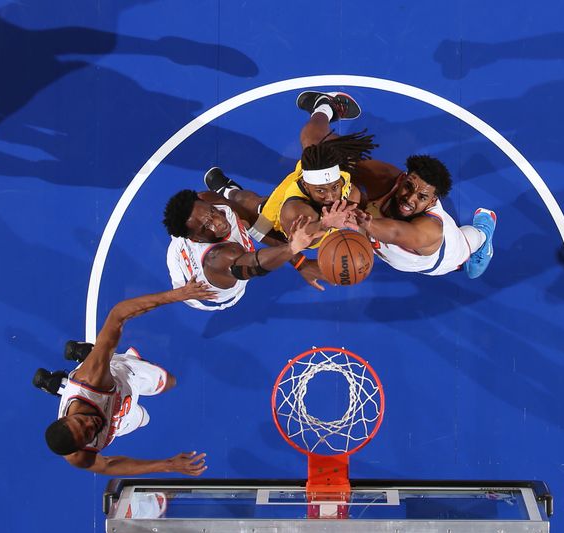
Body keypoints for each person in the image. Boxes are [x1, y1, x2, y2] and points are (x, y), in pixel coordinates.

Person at [43, 278, 216, 475]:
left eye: (81, 422)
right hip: (119, 420)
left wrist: (178, 294)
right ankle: (81, 362)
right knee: (144, 419)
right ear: (81, 446)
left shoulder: (92, 380)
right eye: (87, 434)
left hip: (126, 377)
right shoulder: (77, 456)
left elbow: (118, 314)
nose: (91, 424)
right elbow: (108, 465)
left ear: (68, 418)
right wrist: (168, 465)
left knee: (170, 382)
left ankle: (89, 356)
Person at [205, 91, 377, 250]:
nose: (331, 197)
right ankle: (228, 191)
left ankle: (324, 106)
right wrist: (326, 224)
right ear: (305, 184)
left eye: (334, 188)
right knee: (253, 204)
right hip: (280, 217)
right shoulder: (292, 209)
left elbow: (348, 190)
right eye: (321, 191)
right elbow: (300, 240)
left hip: (318, 174)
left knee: (314, 142)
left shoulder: (339, 177)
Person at [331, 154, 497, 278]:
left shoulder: (431, 229)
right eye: (408, 187)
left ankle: (484, 232)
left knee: (469, 241)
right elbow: (330, 150)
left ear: (432, 201)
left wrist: (366, 224)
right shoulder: (385, 178)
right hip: (386, 242)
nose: (409, 199)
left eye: (422, 197)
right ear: (403, 178)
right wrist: (323, 111)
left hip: (442, 258)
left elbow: (397, 233)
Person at [162, 188, 323, 310]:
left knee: (253, 210)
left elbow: (254, 222)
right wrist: (292, 248)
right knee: (249, 222)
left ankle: (227, 189)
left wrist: (301, 262)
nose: (218, 222)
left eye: (212, 212)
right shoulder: (219, 258)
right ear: (195, 238)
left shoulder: (209, 200)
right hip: (203, 291)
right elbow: (254, 264)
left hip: (203, 244)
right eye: (207, 226)